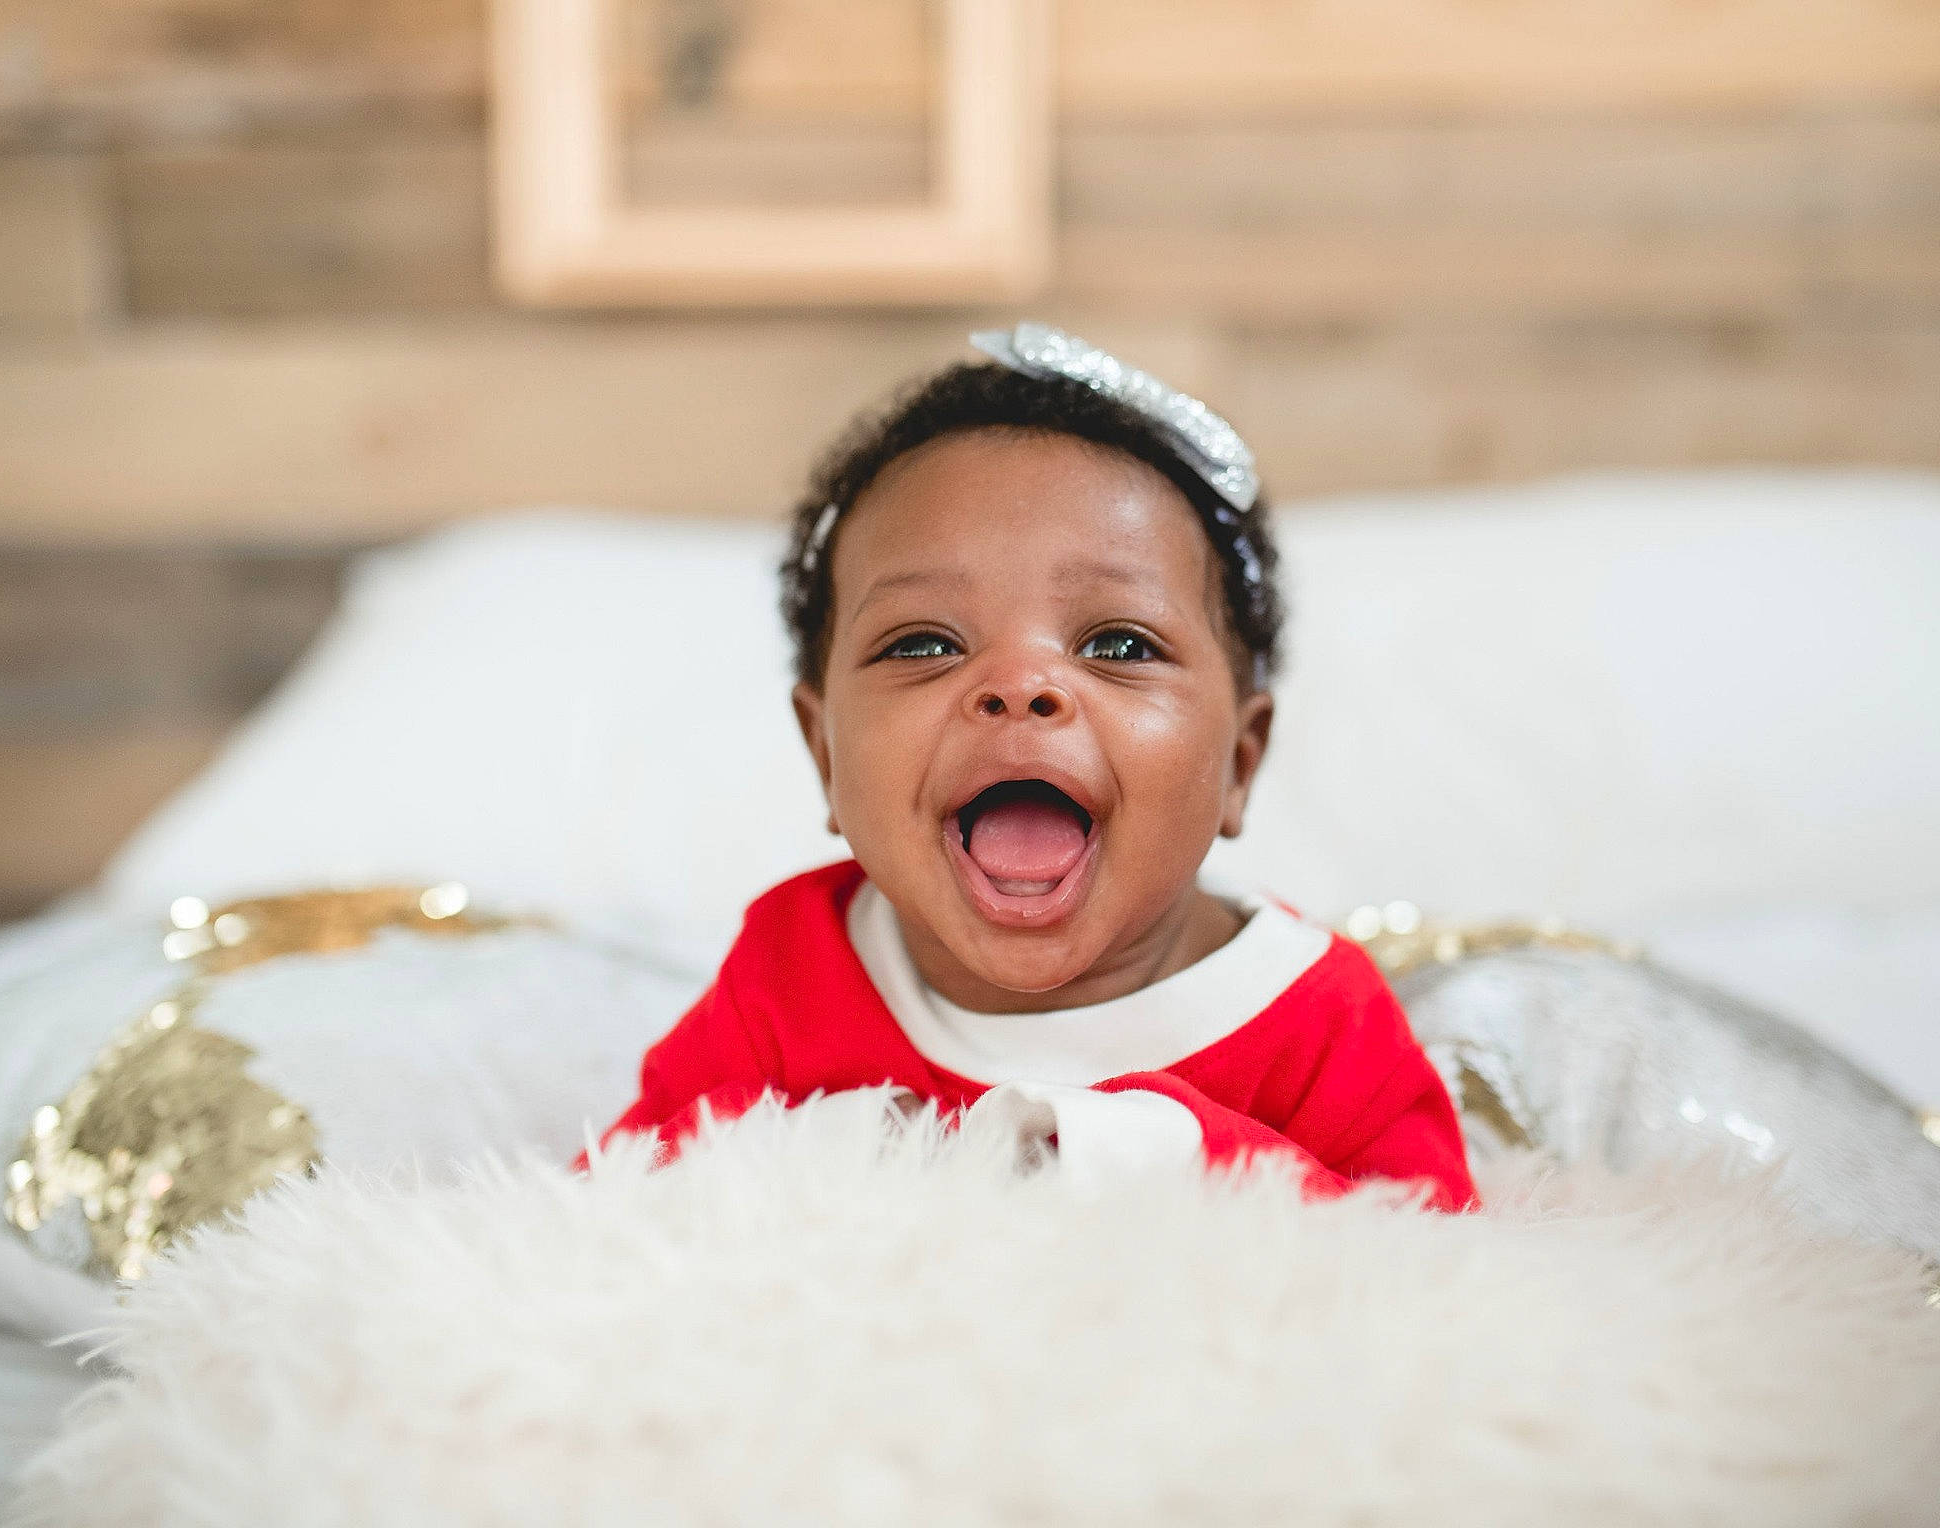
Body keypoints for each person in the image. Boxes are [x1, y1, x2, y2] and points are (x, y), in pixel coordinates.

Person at [587, 323, 1475, 1209]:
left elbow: (1437, 1265)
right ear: (825, 755)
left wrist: (1157, 1154)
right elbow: (616, 1203)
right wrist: (841, 1147)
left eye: (1118, 642)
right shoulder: (798, 968)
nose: (1019, 685)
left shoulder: (1316, 1019)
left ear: (1239, 763)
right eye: (925, 642)